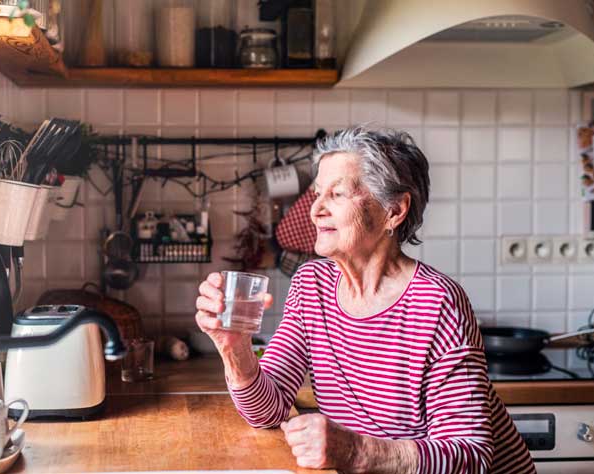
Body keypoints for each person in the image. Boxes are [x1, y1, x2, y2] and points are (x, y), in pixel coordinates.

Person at [195, 128, 535, 473]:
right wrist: (234, 348)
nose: (315, 210)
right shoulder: (312, 285)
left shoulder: (436, 301)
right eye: (317, 194)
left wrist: (357, 452)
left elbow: (470, 458)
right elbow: (268, 411)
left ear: (394, 210)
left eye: (338, 194)